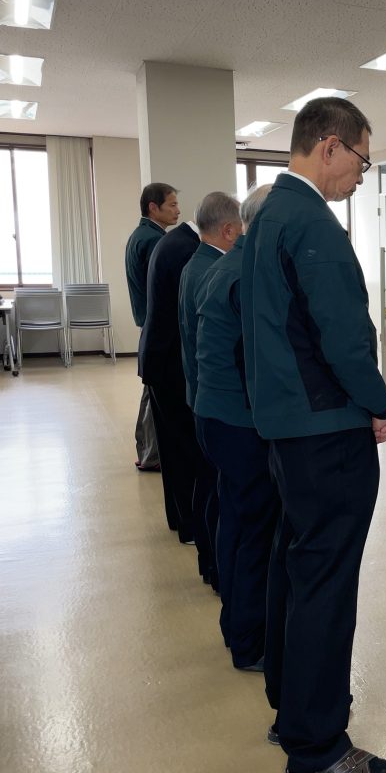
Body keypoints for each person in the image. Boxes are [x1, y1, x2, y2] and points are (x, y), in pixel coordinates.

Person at [242, 97, 386, 773]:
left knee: (297, 566)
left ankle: (292, 709)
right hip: (326, 429)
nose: (362, 176)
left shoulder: (269, 215)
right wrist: (380, 402)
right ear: (331, 147)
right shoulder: (313, 223)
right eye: (362, 160)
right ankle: (317, 744)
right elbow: (342, 336)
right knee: (327, 584)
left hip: (284, 425)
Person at [194, 184, 275, 669]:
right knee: (253, 532)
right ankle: (250, 641)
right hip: (239, 421)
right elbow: (257, 361)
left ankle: (236, 627)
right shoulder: (247, 273)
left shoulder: (224, 265)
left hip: (214, 412)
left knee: (236, 521)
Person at [139, 212, 215, 584]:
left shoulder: (172, 242)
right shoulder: (187, 251)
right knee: (185, 448)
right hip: (170, 362)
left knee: (172, 447)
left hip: (157, 356)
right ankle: (189, 525)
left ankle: (178, 518)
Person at [177, 192, 241, 603]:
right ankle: (217, 566)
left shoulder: (195, 265)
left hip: (199, 396)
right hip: (214, 402)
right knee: (219, 492)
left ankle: (209, 560)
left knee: (209, 486)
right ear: (230, 229)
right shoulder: (215, 271)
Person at [124, 183, 179, 474]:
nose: (178, 210)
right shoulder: (153, 240)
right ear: (153, 208)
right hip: (157, 325)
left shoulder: (142, 235)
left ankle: (148, 451)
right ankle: (151, 454)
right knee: (155, 391)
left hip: (148, 322)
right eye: (171, 205)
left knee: (151, 389)